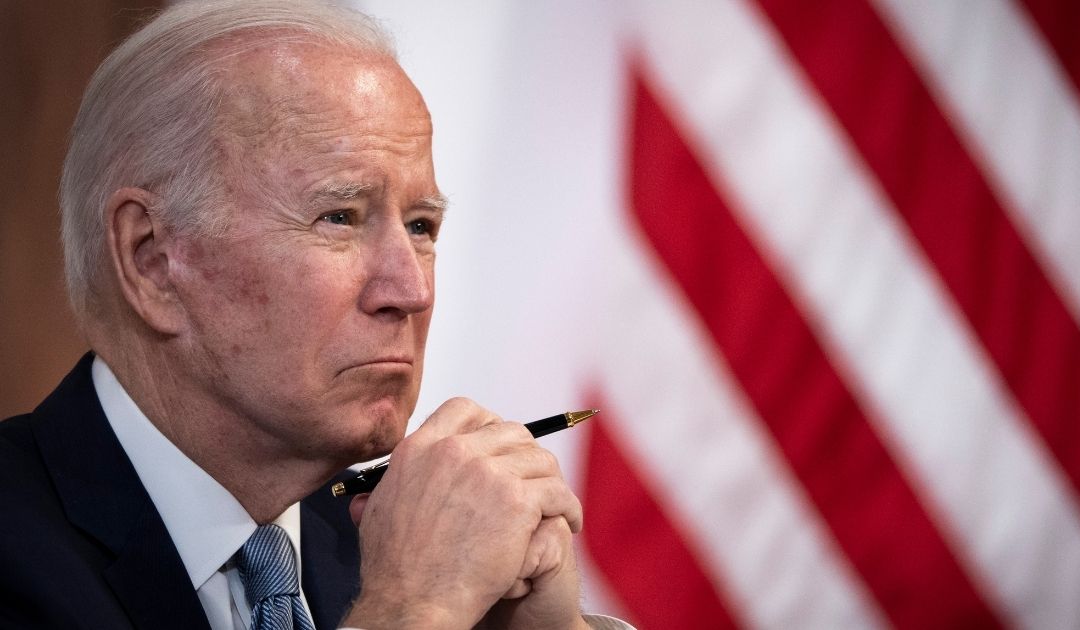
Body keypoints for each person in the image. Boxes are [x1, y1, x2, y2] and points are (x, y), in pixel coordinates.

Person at [0, 1, 629, 628]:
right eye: (340, 218)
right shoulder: (418, 577)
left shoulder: (399, 541)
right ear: (154, 260)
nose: (411, 291)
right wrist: (413, 610)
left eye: (421, 226)